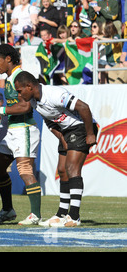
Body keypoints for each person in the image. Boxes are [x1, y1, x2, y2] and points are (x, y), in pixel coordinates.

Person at [14, 71, 98, 227]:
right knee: (62, 170)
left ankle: (74, 216)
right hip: (65, 131)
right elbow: (50, 122)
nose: (19, 95)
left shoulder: (54, 94)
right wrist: (61, 137)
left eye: (20, 91)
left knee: (72, 168)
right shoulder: (34, 101)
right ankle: (61, 214)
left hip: (81, 127)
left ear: (29, 86)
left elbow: (84, 107)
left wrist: (91, 133)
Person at [0, 44, 42, 226]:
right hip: (12, 129)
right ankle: (8, 210)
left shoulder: (20, 76)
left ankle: (36, 215)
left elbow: (25, 106)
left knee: (25, 170)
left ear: (8, 59)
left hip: (24, 128)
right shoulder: (10, 78)